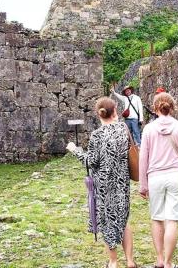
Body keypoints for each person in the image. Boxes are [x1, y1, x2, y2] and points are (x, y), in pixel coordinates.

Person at [66, 97, 137, 268]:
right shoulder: (123, 128)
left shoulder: (96, 135)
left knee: (107, 222)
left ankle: (113, 262)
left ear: (99, 115)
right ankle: (130, 261)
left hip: (103, 187)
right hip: (122, 185)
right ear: (114, 112)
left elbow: (91, 162)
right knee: (123, 220)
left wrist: (75, 150)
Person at [139, 93, 178, 268]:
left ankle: (159, 259)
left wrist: (143, 185)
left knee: (157, 218)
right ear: (172, 107)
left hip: (155, 178)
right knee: (172, 219)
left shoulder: (148, 129)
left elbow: (143, 158)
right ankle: (168, 263)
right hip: (177, 176)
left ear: (154, 108)